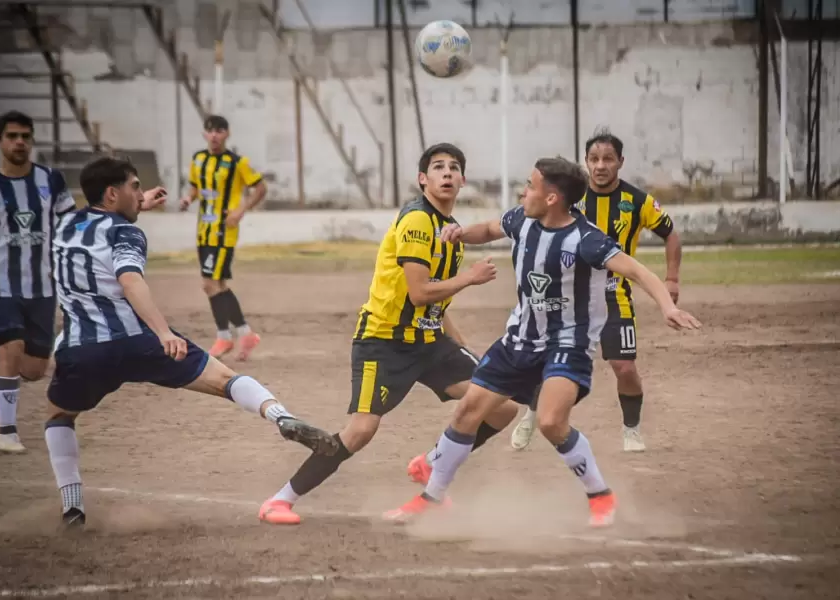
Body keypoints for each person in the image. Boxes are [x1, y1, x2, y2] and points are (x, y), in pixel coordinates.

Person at [383, 157, 700, 527]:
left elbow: (636, 269)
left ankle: (600, 495)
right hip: (519, 339)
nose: (524, 191)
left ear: (551, 198)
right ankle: (432, 497)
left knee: (551, 422)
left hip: (568, 343)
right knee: (468, 412)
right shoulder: (521, 219)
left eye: (531, 186)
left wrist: (667, 307)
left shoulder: (586, 240)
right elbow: (488, 229)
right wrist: (460, 233)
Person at [44, 156, 337, 528]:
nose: (142, 192)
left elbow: (98, 226)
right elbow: (130, 280)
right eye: (136, 187)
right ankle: (281, 417)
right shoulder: (126, 233)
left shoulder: (65, 223)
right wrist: (164, 332)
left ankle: (72, 507)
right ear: (113, 193)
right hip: (139, 341)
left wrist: (136, 204)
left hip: (79, 349)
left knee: (58, 415)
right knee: (225, 380)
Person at [257, 143, 522, 526]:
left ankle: (432, 464)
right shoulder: (417, 220)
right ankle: (281, 500)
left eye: (454, 168)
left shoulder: (447, 228)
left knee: (502, 405)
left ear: (462, 180)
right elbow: (419, 292)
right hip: (383, 342)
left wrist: (460, 345)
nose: (447, 173)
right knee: (362, 430)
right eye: (438, 167)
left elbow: (433, 300)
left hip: (429, 342)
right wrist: (470, 278)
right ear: (423, 179)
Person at [510, 130, 683, 453]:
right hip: (567, 298)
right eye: (594, 159)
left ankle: (631, 429)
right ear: (586, 162)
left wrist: (671, 278)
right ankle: (532, 412)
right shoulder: (571, 197)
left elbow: (670, 234)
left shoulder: (637, 201)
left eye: (608, 159)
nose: (600, 166)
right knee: (545, 361)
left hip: (613, 296)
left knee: (625, 367)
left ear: (620, 162)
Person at [0, 111, 77, 454]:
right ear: (0, 141)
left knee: (35, 369)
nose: (19, 142)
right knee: (11, 349)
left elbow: (70, 225)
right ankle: (6, 432)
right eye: (12, 136)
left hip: (44, 287)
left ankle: (7, 378)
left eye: (25, 135)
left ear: (32, 140)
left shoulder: (51, 180)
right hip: (1, 286)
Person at [180, 115, 266, 361]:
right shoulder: (198, 159)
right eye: (210, 131)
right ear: (204, 134)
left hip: (223, 231)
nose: (214, 135)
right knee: (218, 285)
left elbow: (260, 188)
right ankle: (245, 334)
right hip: (203, 230)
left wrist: (240, 210)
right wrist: (189, 198)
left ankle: (224, 337)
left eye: (219, 131)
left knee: (209, 284)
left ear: (227, 134)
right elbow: (196, 187)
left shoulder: (237, 162)